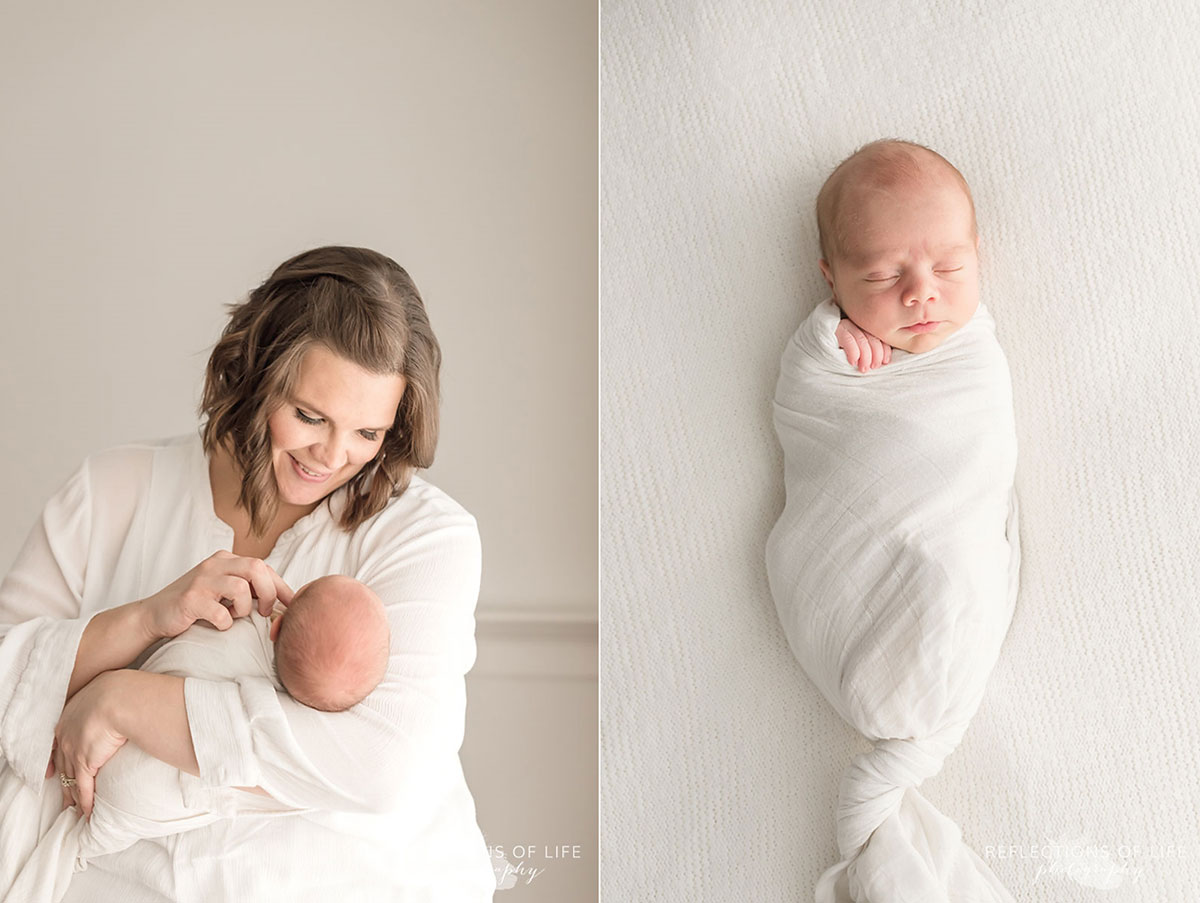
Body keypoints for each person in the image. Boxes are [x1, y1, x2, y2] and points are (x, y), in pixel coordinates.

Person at [0, 246, 497, 901]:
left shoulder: (424, 536)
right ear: (255, 371)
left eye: (368, 432)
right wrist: (146, 618)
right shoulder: (109, 492)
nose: (333, 454)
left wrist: (129, 700)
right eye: (310, 416)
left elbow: (386, 762)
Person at [0, 575, 392, 903]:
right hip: (141, 795)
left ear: (274, 625)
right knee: (74, 847)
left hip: (102, 759)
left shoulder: (234, 618)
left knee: (58, 832)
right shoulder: (278, 720)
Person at [814, 139, 980, 372]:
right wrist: (830, 337)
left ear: (975, 256)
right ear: (832, 281)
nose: (921, 294)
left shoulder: (975, 327)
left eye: (948, 268)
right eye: (883, 276)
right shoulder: (827, 337)